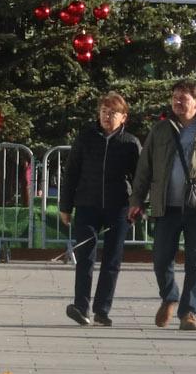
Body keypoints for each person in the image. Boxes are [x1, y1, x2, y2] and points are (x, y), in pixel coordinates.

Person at [129, 80, 196, 331]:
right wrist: (136, 200)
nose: (177, 102)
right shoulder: (161, 130)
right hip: (166, 206)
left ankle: (188, 312)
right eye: (175, 97)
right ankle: (170, 296)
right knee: (161, 259)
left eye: (183, 98)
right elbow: (145, 168)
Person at [58, 92, 140, 326]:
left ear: (123, 117)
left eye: (112, 112)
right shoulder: (86, 137)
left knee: (112, 260)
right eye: (103, 111)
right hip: (87, 204)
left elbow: (139, 179)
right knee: (85, 256)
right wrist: (66, 206)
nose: (107, 116)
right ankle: (80, 307)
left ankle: (102, 310)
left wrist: (137, 205)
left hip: (118, 208)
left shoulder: (130, 143)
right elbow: (71, 172)